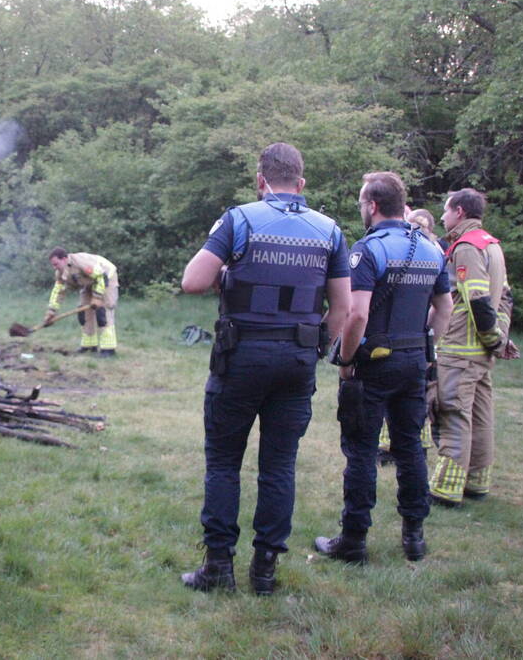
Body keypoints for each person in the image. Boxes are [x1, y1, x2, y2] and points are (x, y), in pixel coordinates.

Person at [179, 142, 351, 595]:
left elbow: (192, 281)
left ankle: (218, 569)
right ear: (302, 183)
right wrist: (315, 350)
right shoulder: (329, 230)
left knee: (223, 465)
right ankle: (266, 572)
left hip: (241, 359)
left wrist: (228, 275)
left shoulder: (239, 219)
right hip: (296, 362)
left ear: (260, 180)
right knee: (279, 467)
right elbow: (344, 309)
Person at [314, 172, 452, 563]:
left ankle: (353, 540)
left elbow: (356, 316)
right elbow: (445, 308)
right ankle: (414, 537)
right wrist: (427, 348)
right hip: (414, 362)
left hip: (372, 362)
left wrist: (345, 360)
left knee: (360, 449)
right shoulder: (430, 247)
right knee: (410, 447)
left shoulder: (367, 250)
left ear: (372, 206)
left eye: (361, 204)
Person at [429, 188, 515, 507]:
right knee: (480, 416)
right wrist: (499, 338)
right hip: (481, 354)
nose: (442, 216)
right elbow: (505, 297)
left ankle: (446, 489)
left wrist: (493, 337)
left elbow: (479, 301)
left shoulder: (465, 247)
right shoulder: (492, 246)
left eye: (446, 210)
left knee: (452, 413)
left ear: (460, 212)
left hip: (460, 351)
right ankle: (477, 481)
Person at [377, 206, 443, 461]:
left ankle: (404, 446)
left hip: (414, 337)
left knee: (414, 399)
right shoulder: (431, 253)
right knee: (412, 399)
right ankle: (401, 446)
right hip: (418, 341)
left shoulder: (427, 252)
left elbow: (442, 305)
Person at [44, 248, 119, 356]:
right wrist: (51, 312)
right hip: (89, 282)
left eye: (56, 264)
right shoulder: (60, 273)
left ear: (64, 259)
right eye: (53, 265)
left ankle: (108, 349)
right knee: (83, 311)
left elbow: (101, 276)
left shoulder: (81, 263)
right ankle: (89, 345)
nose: (54, 267)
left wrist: (97, 297)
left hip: (106, 277)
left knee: (102, 311)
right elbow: (58, 292)